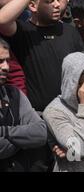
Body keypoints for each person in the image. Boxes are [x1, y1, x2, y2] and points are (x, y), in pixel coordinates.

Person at [0, 0, 84, 112]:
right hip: (38, 116)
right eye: (50, 1)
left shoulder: (70, 31)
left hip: (71, 114)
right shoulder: (23, 32)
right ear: (32, 6)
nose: (57, 5)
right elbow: (2, 20)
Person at [0, 37, 48, 171]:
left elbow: (41, 132)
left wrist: (5, 131)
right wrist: (24, 141)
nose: (6, 67)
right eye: (0, 61)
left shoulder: (14, 94)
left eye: (7, 61)